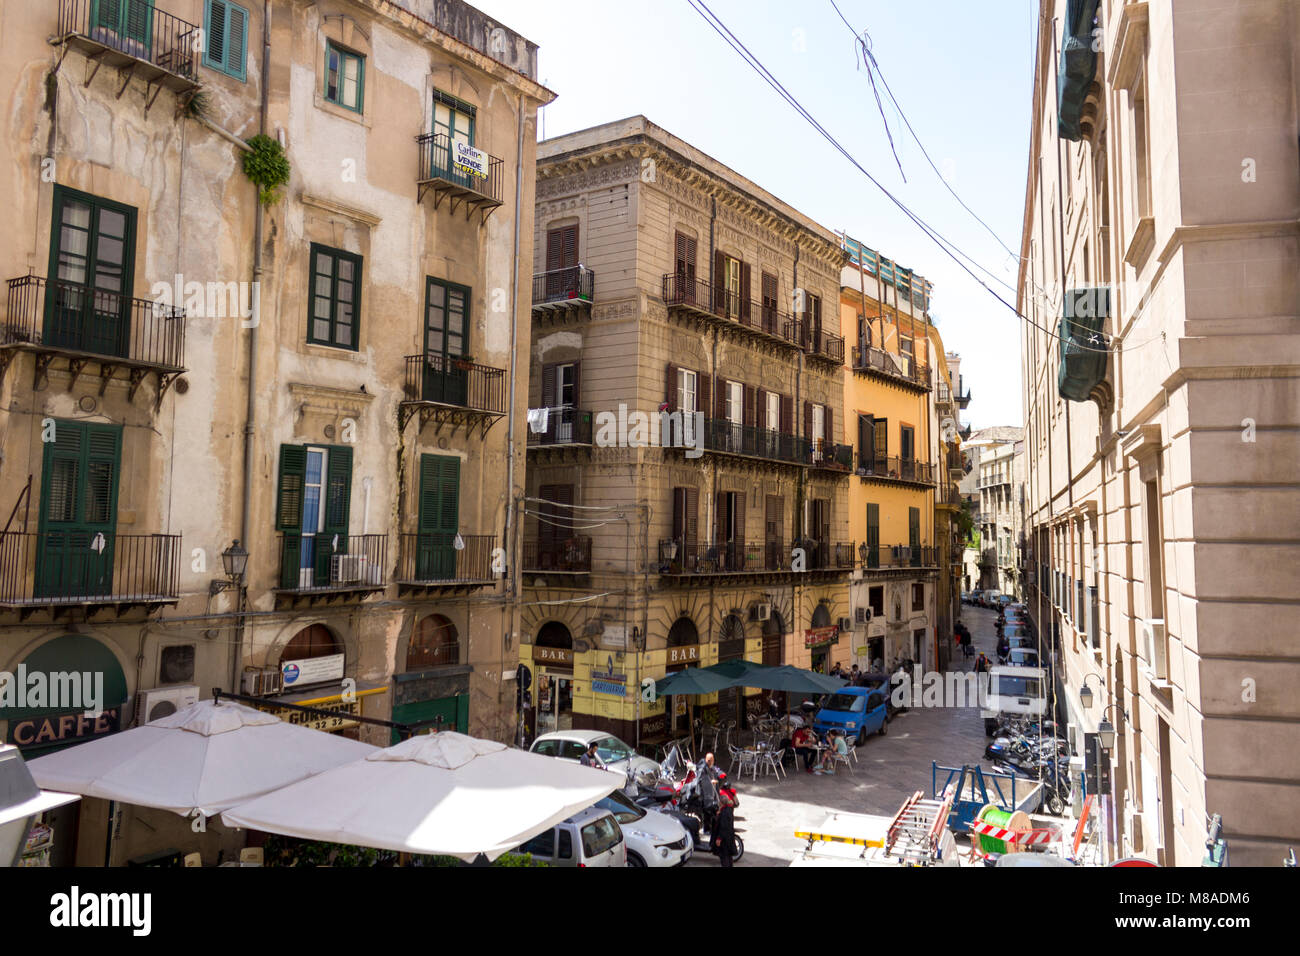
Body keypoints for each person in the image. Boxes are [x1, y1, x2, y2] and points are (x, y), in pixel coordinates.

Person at [713, 781, 739, 867]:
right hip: (729, 836)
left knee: (724, 858)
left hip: (724, 839)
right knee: (729, 857)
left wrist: (719, 838)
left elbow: (723, 826)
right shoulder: (729, 810)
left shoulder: (724, 813)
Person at [697, 751, 721, 835]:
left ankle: (712, 828)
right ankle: (706, 829)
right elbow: (701, 779)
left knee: (712, 811)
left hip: (711, 792)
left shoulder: (711, 767)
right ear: (708, 760)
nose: (713, 761)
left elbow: (716, 772)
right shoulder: (703, 768)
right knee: (707, 812)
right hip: (705, 794)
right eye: (712, 760)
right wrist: (711, 781)